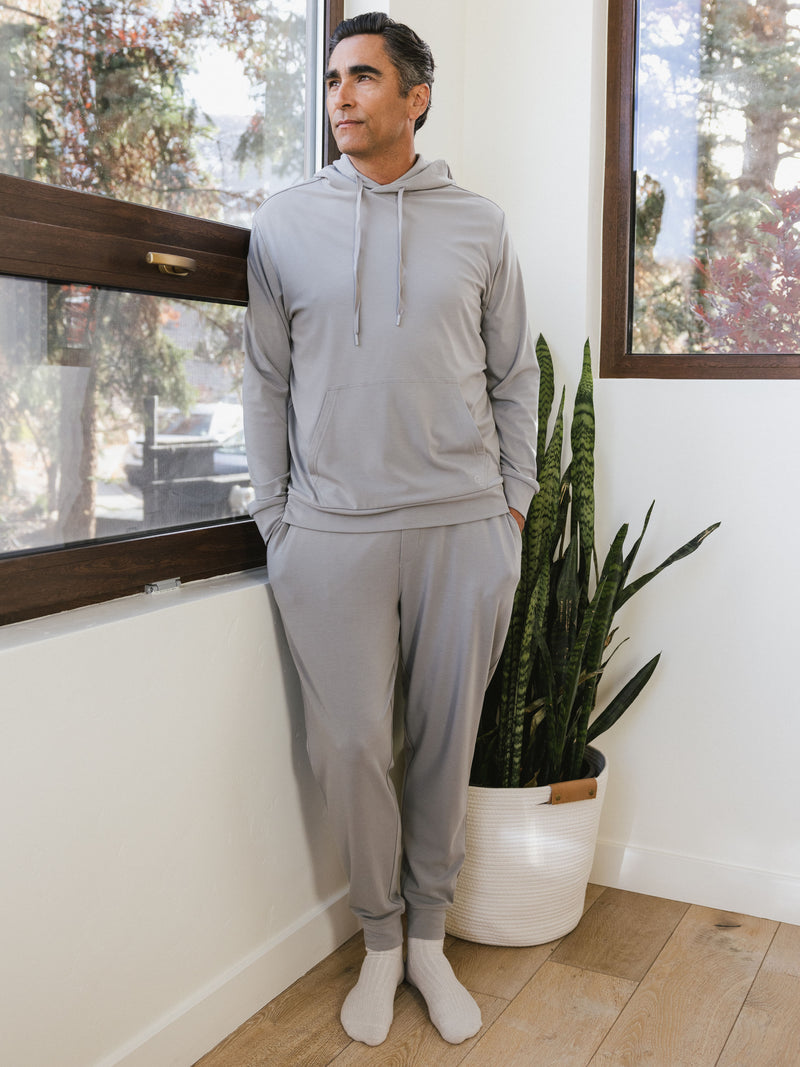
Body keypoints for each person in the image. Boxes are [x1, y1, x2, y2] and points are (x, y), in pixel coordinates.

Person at [243, 12, 539, 1047]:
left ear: (414, 97)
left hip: (464, 525)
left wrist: (511, 506)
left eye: (362, 77)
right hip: (329, 534)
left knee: (442, 744)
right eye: (331, 78)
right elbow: (266, 381)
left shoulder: (478, 224)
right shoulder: (281, 225)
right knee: (353, 744)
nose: (339, 95)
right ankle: (377, 939)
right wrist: (277, 517)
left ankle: (427, 937)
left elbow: (514, 377)